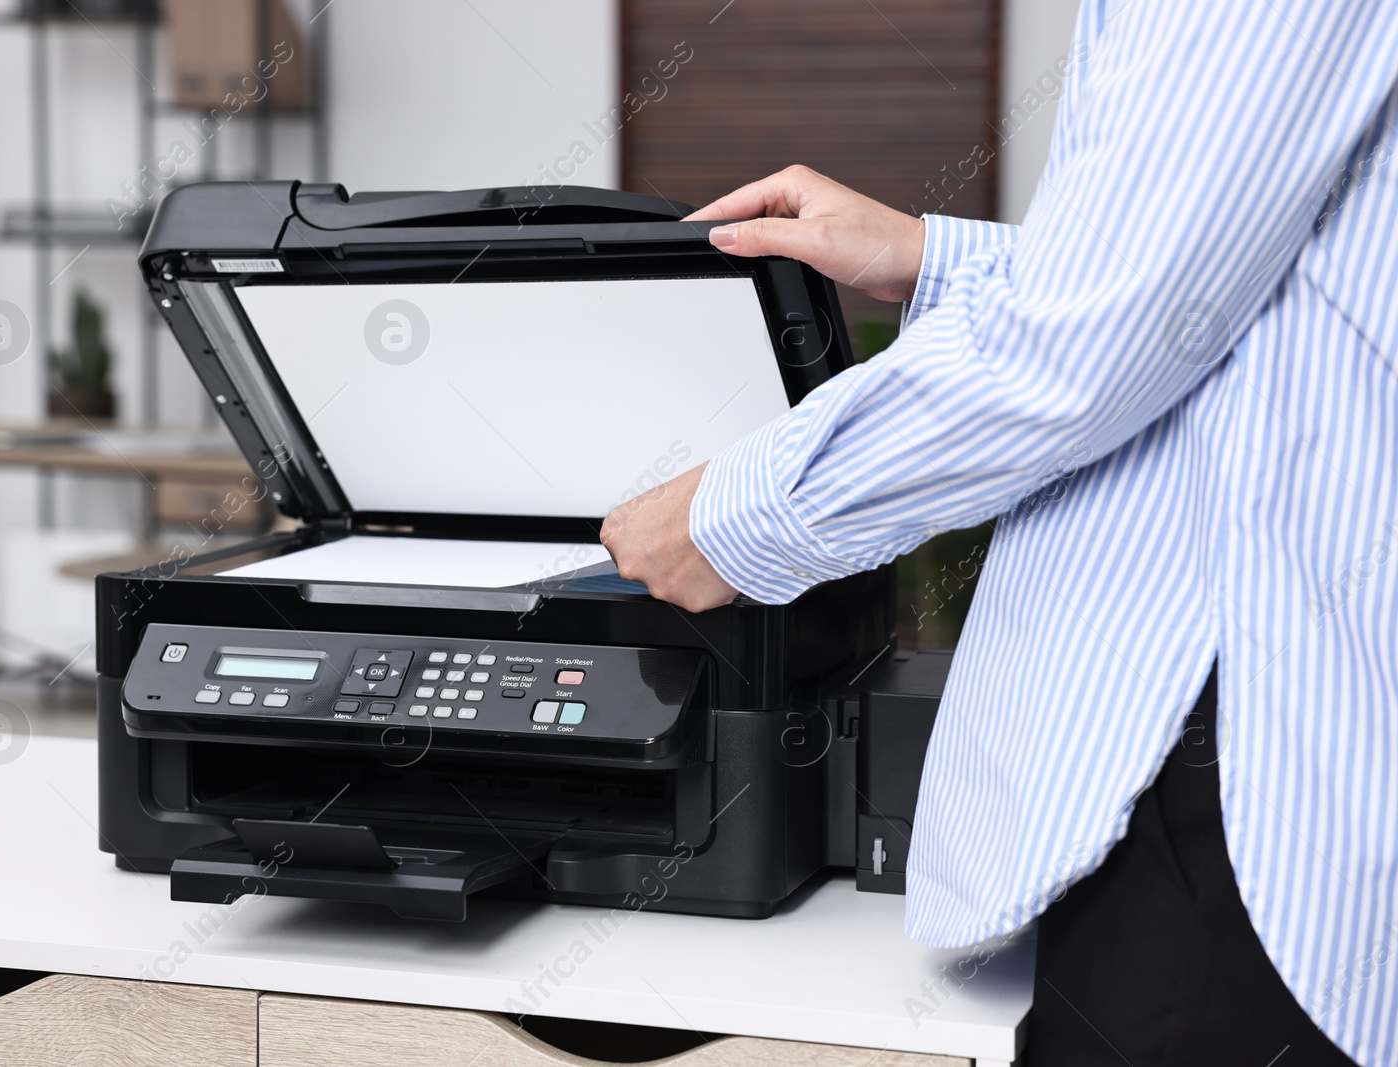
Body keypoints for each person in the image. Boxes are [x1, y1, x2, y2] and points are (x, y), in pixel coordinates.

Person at [598, 2, 1398, 1064]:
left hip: (1244, 768)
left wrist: (729, 518)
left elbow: (1097, 338)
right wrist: (932, 256)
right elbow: (1255, 283)